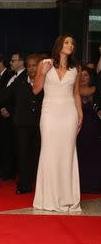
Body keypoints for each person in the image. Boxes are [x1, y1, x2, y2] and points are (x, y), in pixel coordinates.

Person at [32, 35, 82, 212]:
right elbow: (36, 89)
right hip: (49, 113)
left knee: (68, 153)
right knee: (49, 152)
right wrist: (44, 73)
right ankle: (49, 198)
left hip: (69, 113)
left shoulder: (75, 68)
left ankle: (68, 198)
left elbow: (76, 93)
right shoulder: (44, 63)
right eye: (67, 42)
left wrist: (80, 114)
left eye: (72, 43)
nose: (70, 45)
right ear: (59, 45)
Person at [0, 54, 44, 194]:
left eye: (34, 65)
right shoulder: (20, 81)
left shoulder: (46, 81)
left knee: (39, 154)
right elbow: (6, 93)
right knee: (23, 155)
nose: (32, 68)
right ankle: (24, 186)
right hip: (22, 123)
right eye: (29, 66)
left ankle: (41, 186)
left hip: (41, 123)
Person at [76, 67, 101, 193]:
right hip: (79, 129)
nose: (83, 77)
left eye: (86, 75)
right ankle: (81, 185)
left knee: (95, 156)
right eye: (81, 75)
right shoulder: (74, 92)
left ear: (91, 77)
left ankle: (95, 185)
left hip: (95, 129)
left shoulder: (96, 91)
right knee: (81, 156)